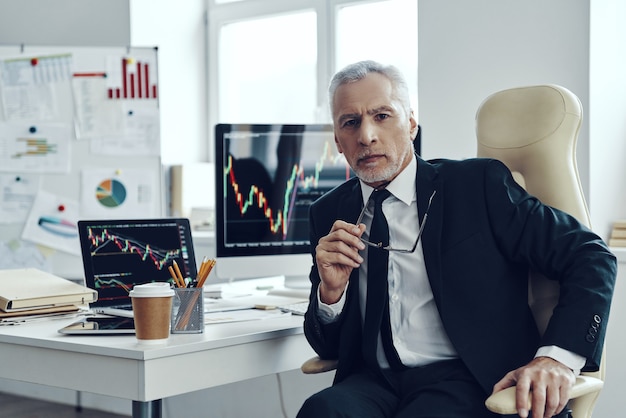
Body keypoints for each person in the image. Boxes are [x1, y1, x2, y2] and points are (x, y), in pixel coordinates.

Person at [296, 60, 616, 418]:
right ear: (338, 140)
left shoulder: (477, 185)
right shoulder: (328, 212)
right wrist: (330, 294)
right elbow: (328, 345)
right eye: (350, 122)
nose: (366, 136)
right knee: (321, 410)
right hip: (375, 382)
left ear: (412, 124)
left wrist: (556, 359)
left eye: (382, 116)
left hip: (468, 378)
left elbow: (590, 256)